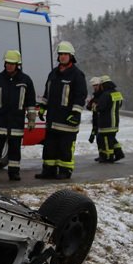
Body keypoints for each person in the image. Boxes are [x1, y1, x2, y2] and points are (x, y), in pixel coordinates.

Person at [35, 41, 88, 180]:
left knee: (65, 148)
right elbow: (47, 93)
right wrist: (42, 107)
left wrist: (75, 113)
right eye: (60, 54)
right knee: (49, 148)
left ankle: (65, 171)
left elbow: (80, 96)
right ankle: (48, 170)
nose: (62, 57)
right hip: (53, 119)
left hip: (67, 120)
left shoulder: (77, 75)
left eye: (65, 54)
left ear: (71, 56)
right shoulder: (53, 73)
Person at [0, 50, 37, 181]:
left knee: (15, 150)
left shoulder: (26, 81)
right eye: (7, 63)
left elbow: (30, 102)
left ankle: (14, 172)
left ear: (17, 64)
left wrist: (31, 120)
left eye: (12, 63)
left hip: (16, 121)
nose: (9, 65)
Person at [94, 75, 125, 163]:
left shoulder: (105, 95)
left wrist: (94, 106)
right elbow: (119, 105)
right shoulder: (117, 93)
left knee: (106, 140)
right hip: (115, 121)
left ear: (103, 85)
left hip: (106, 122)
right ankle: (119, 153)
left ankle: (108, 157)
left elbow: (100, 108)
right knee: (111, 138)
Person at [85, 76, 103, 160]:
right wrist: (89, 104)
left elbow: (99, 107)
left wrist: (93, 106)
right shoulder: (95, 95)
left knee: (101, 138)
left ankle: (104, 155)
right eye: (93, 85)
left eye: (96, 85)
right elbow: (89, 107)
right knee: (97, 138)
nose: (95, 87)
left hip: (101, 119)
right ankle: (101, 154)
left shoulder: (102, 95)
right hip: (95, 118)